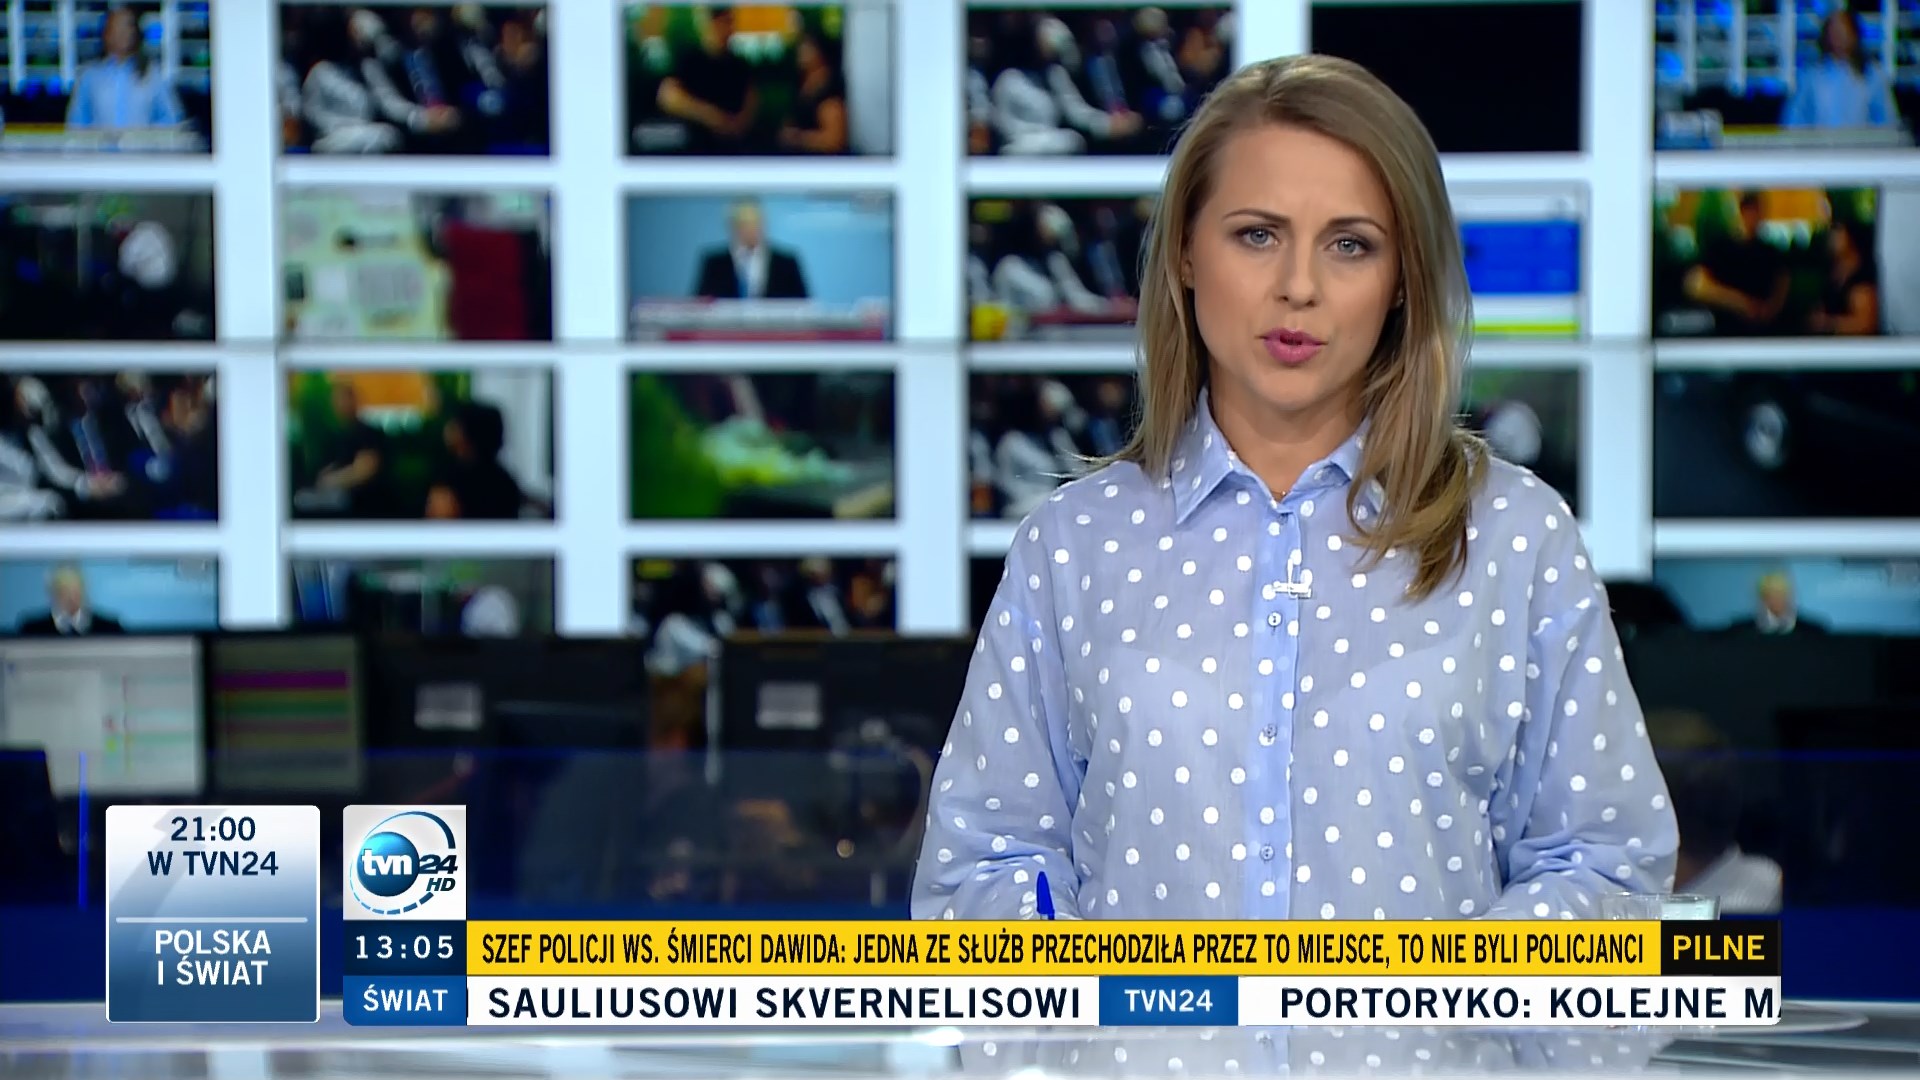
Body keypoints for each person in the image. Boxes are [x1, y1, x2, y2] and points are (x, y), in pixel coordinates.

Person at [912, 55, 1678, 922]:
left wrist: (1430, 987)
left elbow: (1608, 870)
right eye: (1257, 235)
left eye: (1350, 245)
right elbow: (978, 870)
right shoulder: (1073, 543)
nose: (1299, 288)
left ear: (1402, 281)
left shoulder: (1515, 536)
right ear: (1186, 253)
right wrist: (1126, 989)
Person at [1681, 192, 1790, 336]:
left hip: (1763, 330)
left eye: (1757, 212)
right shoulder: (1721, 249)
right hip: (1726, 330)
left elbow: (1783, 282)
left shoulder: (1770, 252)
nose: (1753, 217)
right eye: (1749, 211)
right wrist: (1740, 303)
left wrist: (1769, 309)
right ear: (1740, 213)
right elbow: (1695, 285)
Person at [65, 6, 186, 135]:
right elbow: (76, 124)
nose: (122, 33)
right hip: (101, 148)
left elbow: (171, 119)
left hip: (142, 147)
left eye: (127, 27)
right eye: (116, 27)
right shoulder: (89, 76)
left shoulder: (153, 74)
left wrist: (148, 137)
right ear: (106, 33)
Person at [1783, 8, 1900, 134]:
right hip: (1820, 144)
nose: (1839, 35)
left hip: (1861, 145)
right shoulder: (1811, 75)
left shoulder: (1873, 74)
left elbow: (1887, 121)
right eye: (1834, 31)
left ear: (1854, 34)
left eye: (1844, 30)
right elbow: (1795, 120)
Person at [693, 199, 809, 300]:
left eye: (755, 223)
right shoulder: (714, 263)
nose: (751, 229)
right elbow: (701, 304)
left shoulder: (786, 263)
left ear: (763, 224)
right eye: (745, 224)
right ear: (733, 226)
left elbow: (804, 305)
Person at [17, 564, 125, 635]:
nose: (71, 597)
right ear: (52, 593)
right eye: (64, 590)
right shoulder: (32, 630)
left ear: (84, 591)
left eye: (75, 590)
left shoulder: (110, 629)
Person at [1729, 570, 1826, 635]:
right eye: (1771, 594)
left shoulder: (1812, 632)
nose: (1776, 599)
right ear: (1763, 598)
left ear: (1788, 596)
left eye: (1780, 593)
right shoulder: (1742, 631)